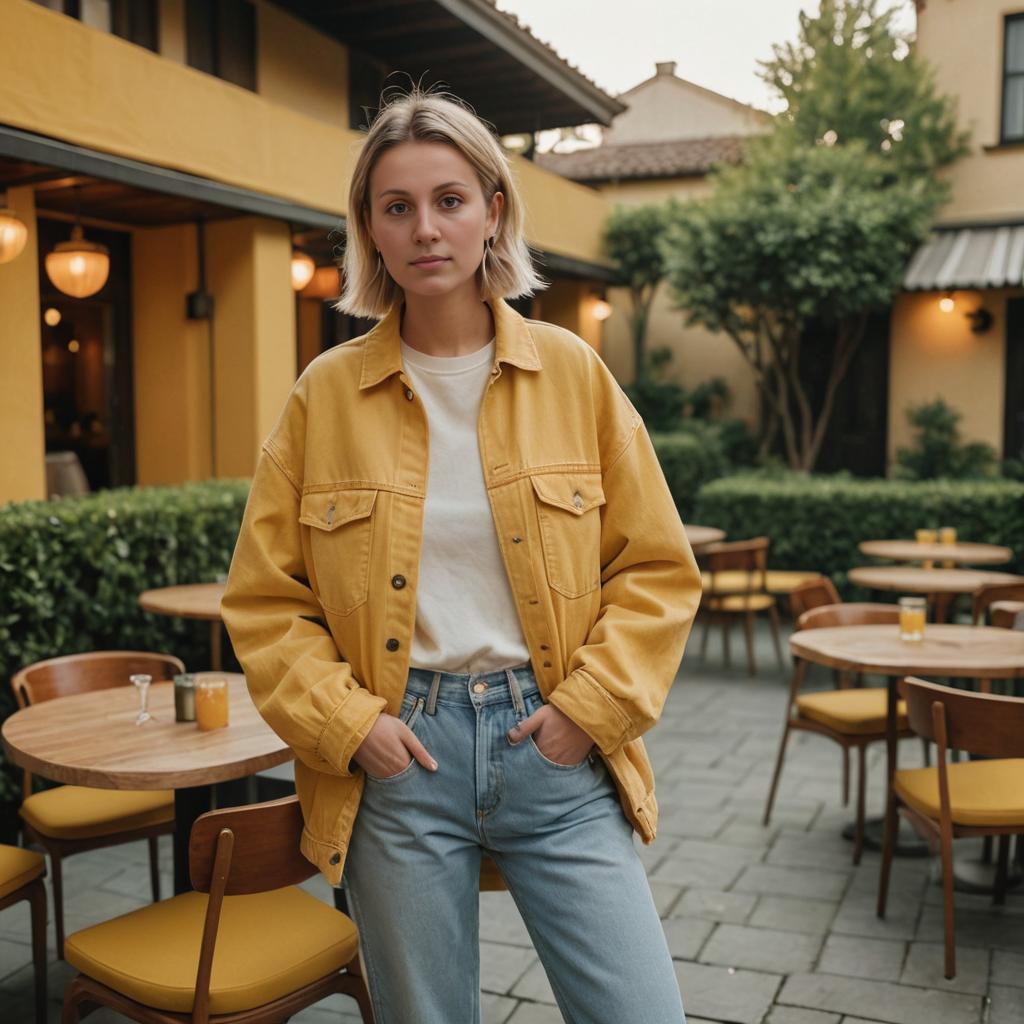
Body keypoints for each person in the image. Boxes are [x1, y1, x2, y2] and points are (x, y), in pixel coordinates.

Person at [221, 84, 702, 1024]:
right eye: (396, 207)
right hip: (399, 760)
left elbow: (654, 569)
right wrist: (352, 726)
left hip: (556, 747)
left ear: (493, 211)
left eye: (449, 200)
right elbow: (266, 602)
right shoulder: (325, 395)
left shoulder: (571, 372)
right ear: (370, 229)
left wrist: (587, 712)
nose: (425, 229)